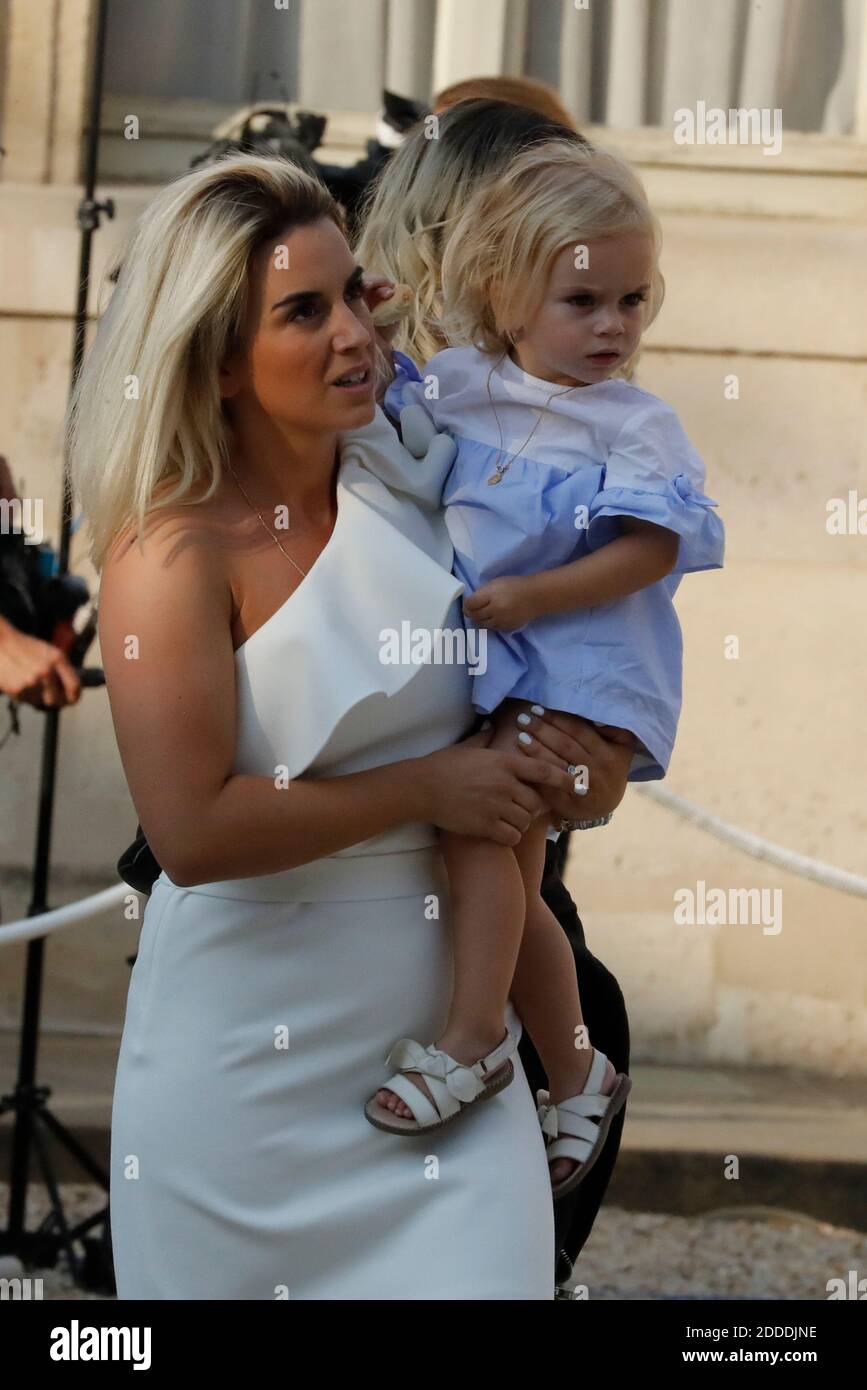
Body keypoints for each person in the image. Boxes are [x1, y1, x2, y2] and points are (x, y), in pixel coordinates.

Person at [68, 151, 604, 1299]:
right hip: (240, 1077)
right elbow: (194, 832)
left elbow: (577, 728)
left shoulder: (434, 490)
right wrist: (429, 789)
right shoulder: (166, 554)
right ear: (214, 356)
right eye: (302, 311)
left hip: (445, 1055)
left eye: (355, 291)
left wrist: (574, 769)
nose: (355, 333)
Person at [365, 141, 725, 1202]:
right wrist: (376, 323)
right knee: (509, 886)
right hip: (508, 680)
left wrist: (532, 596)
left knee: (480, 839)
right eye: (583, 300)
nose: (614, 326)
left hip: (582, 679)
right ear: (503, 294)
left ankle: (478, 1038)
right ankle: (572, 1067)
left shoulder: (635, 423)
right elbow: (389, 418)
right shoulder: (467, 384)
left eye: (631, 300)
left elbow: (651, 550)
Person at [355, 99, 636, 1280]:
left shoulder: (568, 415)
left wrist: (592, 743)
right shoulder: (351, 405)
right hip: (331, 905)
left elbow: (602, 749)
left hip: (496, 893)